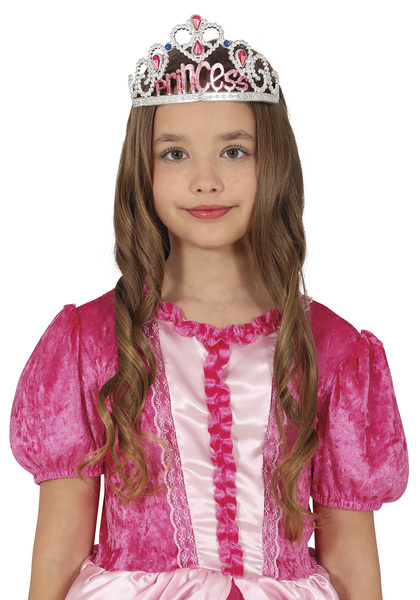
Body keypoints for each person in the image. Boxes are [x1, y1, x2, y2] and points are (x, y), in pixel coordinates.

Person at [10, 13, 408, 600]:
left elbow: (352, 558)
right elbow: (58, 553)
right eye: (174, 153)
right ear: (142, 169)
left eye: (234, 151)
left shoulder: (332, 350)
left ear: (272, 162)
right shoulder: (91, 340)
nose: (205, 180)